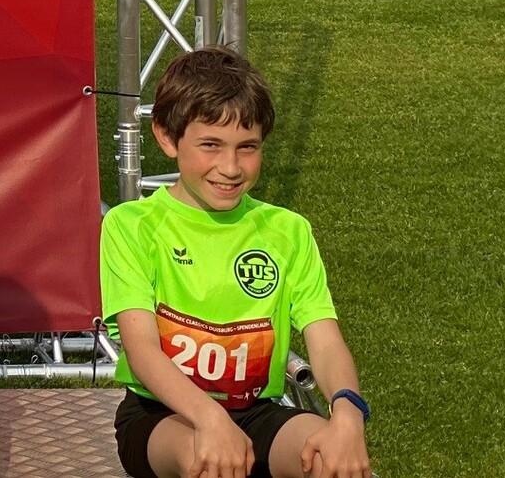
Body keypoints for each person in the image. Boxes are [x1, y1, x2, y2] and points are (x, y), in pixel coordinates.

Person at [101, 47, 373, 478]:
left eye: (247, 148)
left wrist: (348, 413)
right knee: (210, 460)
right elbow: (142, 351)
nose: (230, 167)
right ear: (167, 138)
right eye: (211, 145)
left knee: (331, 460)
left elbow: (323, 338)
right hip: (164, 416)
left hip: (258, 412)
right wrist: (210, 419)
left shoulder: (287, 230)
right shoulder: (131, 225)